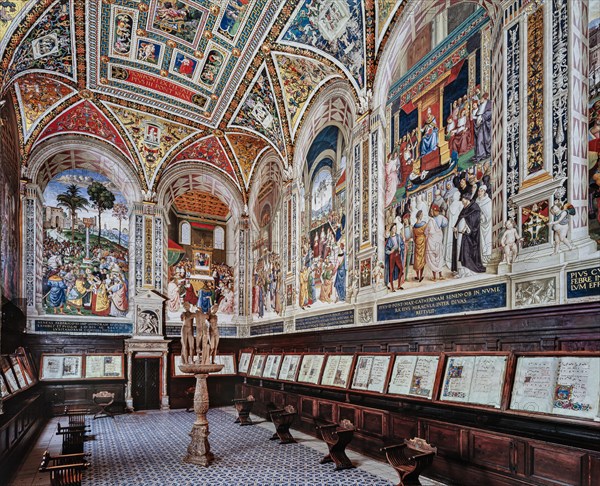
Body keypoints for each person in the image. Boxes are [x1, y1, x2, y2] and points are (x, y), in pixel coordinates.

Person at [452, 193, 487, 277]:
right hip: (461, 234)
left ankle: (468, 272)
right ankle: (461, 272)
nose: (462, 201)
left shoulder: (474, 207)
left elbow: (476, 219)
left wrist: (467, 227)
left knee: (466, 252)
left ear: (467, 198)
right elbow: (460, 218)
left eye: (463, 199)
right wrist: (455, 227)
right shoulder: (464, 209)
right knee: (459, 252)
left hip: (469, 235)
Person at [425, 204, 448, 281]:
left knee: (434, 258)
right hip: (437, 239)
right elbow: (445, 224)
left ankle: (437, 276)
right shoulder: (440, 218)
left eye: (434, 211)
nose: (433, 212)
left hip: (434, 240)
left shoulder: (431, 221)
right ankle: (438, 275)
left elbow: (426, 232)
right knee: (438, 257)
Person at [385, 224, 405, 291]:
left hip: (397, 254)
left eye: (395, 228)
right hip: (392, 255)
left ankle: (399, 285)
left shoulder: (398, 236)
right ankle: (392, 288)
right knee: (391, 271)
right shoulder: (389, 239)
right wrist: (391, 251)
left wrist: (401, 248)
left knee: (401, 269)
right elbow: (386, 250)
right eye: (393, 228)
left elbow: (402, 245)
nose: (395, 229)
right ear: (391, 229)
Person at [477, 185, 493, 264]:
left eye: (481, 191)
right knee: (481, 241)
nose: (480, 192)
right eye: (479, 191)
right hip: (480, 225)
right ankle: (482, 257)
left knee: (487, 240)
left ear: (484, 192)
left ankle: (487, 256)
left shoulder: (488, 201)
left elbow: (490, 214)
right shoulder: (477, 201)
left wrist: (484, 217)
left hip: (487, 224)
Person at [412, 211, 427, 282]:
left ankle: (418, 276)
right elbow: (426, 233)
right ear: (420, 216)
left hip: (417, 241)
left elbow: (414, 237)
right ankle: (420, 276)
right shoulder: (424, 225)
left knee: (417, 259)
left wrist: (416, 241)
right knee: (422, 259)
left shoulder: (414, 226)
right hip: (423, 242)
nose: (422, 216)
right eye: (422, 215)